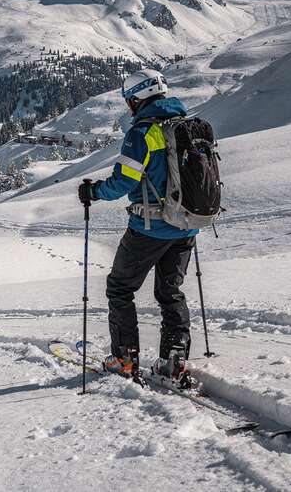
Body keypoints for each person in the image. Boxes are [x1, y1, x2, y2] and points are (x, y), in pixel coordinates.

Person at [77, 68, 200, 389]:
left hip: (149, 228)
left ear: (138, 98)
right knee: (169, 292)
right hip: (187, 226)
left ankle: (125, 358)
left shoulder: (143, 132)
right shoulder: (188, 125)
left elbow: (122, 183)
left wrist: (92, 191)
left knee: (120, 288)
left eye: (129, 100)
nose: (129, 106)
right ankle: (174, 362)